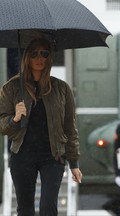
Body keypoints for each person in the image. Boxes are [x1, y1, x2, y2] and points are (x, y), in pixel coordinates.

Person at [0, 37, 82, 216]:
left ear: (49, 57)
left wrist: (74, 162)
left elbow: (70, 127)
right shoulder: (12, 88)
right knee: (25, 209)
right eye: (34, 54)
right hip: (22, 156)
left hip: (53, 157)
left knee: (48, 207)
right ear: (26, 57)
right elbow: (2, 126)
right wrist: (14, 119)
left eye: (44, 53)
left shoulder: (61, 88)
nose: (39, 58)